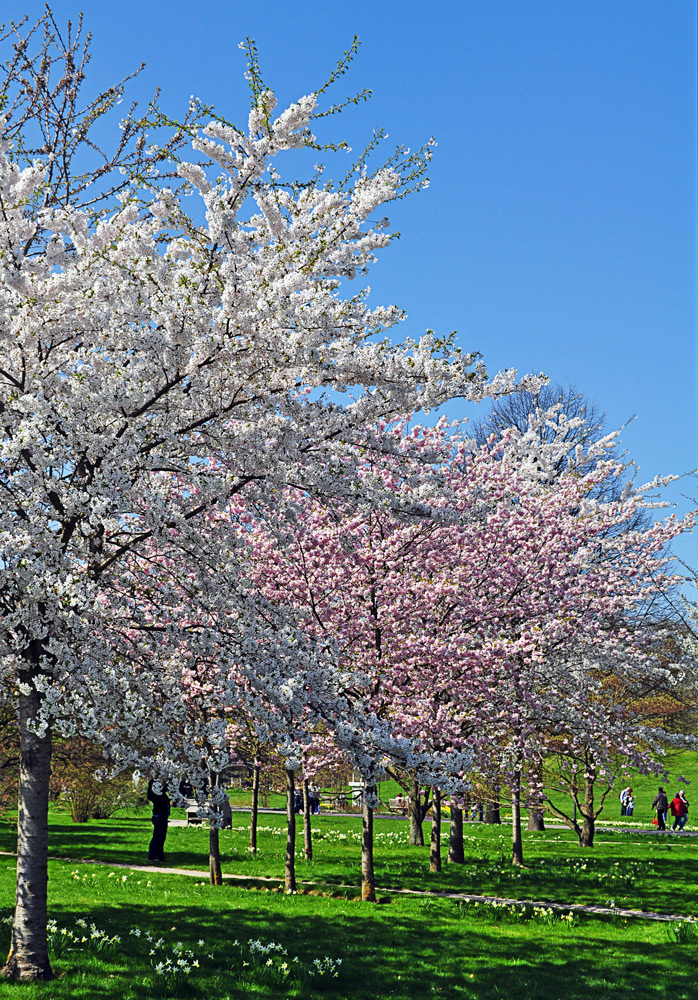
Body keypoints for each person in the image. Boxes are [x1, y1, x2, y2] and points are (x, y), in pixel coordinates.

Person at [147, 779, 170, 862]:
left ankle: (160, 855)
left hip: (163, 817)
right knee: (157, 837)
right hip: (159, 817)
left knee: (161, 837)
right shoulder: (157, 795)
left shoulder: (161, 795)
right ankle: (152, 856)